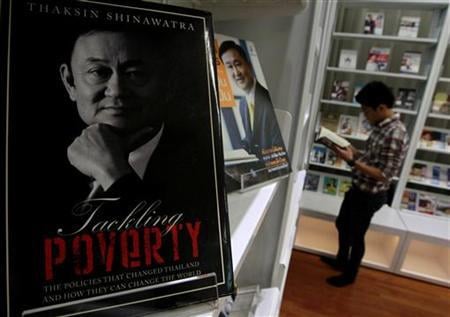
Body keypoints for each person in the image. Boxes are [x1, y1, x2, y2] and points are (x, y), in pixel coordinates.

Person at [321, 81, 409, 287]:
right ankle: (341, 261)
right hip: (359, 187)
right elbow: (372, 158)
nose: (364, 115)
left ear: (382, 108)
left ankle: (349, 275)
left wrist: (351, 160)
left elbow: (384, 174)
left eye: (366, 110)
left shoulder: (394, 134)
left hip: (370, 194)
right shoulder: (381, 127)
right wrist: (348, 147)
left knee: (357, 235)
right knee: (342, 224)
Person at [218, 40, 284, 160]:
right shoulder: (243, 104)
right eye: (229, 67)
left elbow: (277, 148)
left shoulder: (268, 99)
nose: (236, 73)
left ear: (248, 64)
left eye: (238, 64)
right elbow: (251, 138)